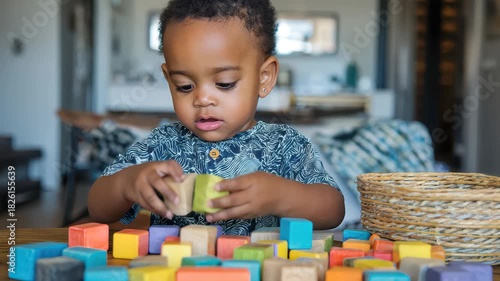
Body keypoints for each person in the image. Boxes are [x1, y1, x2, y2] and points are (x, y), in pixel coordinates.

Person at [88, 0, 345, 235]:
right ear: (169, 80)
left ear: (264, 77)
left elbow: (333, 210)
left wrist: (281, 196)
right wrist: (126, 184)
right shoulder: (162, 144)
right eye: (184, 86)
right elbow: (97, 208)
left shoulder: (285, 145)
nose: (202, 99)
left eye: (224, 83)